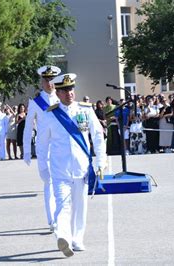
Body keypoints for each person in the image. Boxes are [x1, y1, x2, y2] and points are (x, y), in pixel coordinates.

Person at [39, 73, 106, 257]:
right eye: (64, 90)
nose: (69, 93)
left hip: (81, 167)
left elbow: (98, 135)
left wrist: (101, 161)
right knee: (63, 204)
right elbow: (42, 143)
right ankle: (63, 237)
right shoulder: (50, 115)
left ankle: (77, 238)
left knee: (80, 204)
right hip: (59, 168)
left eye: (71, 89)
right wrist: (42, 167)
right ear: (57, 93)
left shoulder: (85, 110)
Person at [23, 65, 61, 232]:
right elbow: (28, 127)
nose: (49, 83)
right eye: (46, 80)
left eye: (52, 79)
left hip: (61, 148)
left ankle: (59, 217)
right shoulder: (35, 102)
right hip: (44, 148)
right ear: (41, 81)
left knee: (61, 183)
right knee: (49, 182)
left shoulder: (62, 99)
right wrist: (25, 150)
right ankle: (52, 219)